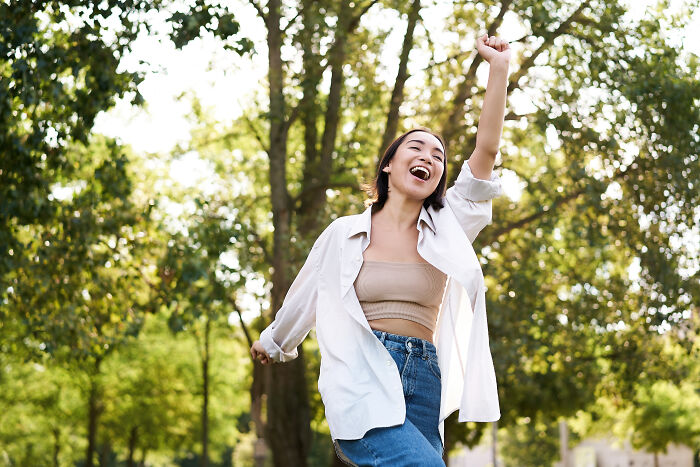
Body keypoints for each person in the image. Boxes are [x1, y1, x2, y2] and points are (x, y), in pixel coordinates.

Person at [250, 33, 511, 466]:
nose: (428, 155)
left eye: (439, 154)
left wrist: (498, 69)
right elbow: (309, 292)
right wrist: (275, 341)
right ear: (389, 164)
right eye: (416, 146)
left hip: (425, 377)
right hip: (362, 379)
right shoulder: (344, 234)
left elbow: (487, 149)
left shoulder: (448, 228)